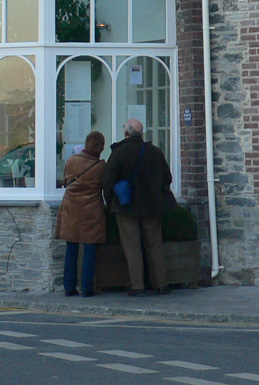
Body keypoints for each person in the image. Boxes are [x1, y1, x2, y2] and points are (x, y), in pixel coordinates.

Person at [101, 118, 176, 295]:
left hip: (126, 206)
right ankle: (161, 283)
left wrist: (111, 201)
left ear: (126, 132)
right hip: (152, 205)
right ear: (141, 134)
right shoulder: (155, 152)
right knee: (155, 244)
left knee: (132, 247)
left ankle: (137, 285)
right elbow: (167, 177)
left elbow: (108, 180)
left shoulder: (119, 153)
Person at [55, 131, 107, 297]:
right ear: (100, 148)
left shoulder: (71, 161)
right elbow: (105, 187)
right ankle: (87, 287)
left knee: (71, 248)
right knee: (90, 249)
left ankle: (69, 287)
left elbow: (66, 181)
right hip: (92, 210)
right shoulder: (101, 167)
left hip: (71, 208)